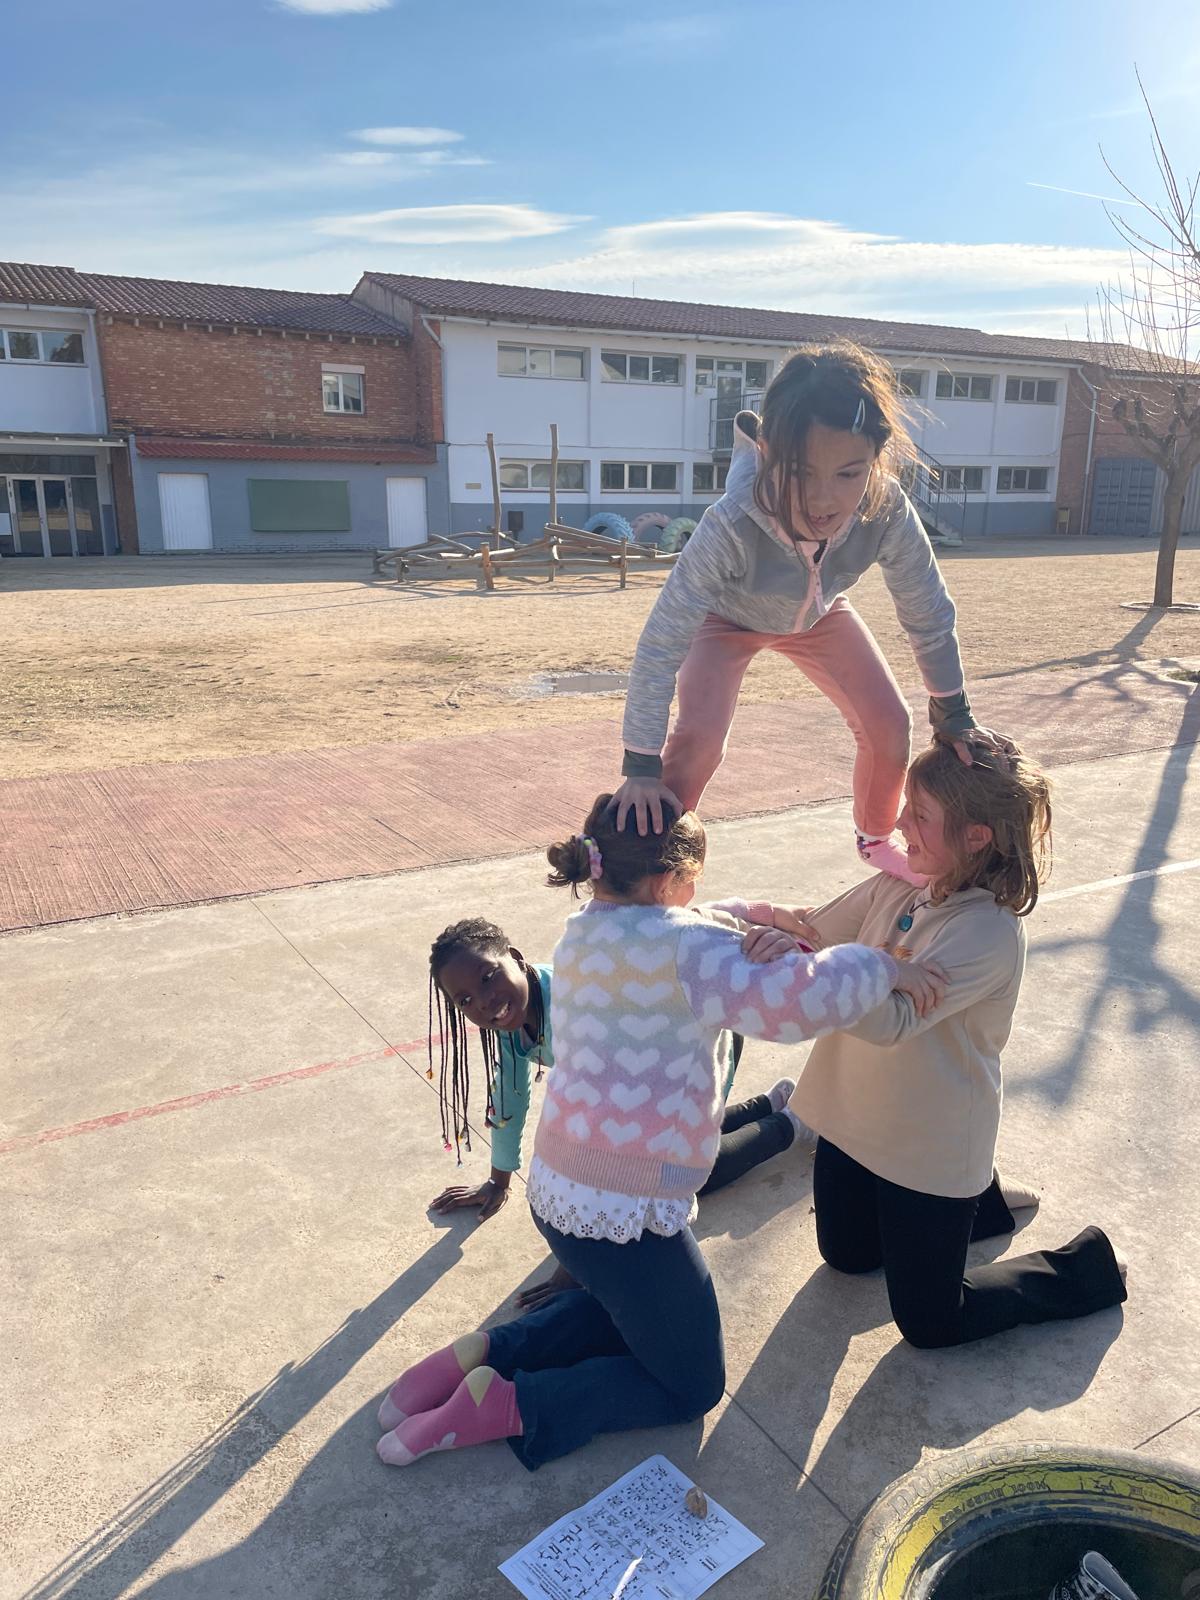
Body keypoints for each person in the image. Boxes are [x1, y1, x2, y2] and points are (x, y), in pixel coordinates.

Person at [377, 794, 945, 1470]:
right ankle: (510, 1404)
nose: (695, 896)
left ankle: (484, 1355)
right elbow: (803, 1001)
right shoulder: (693, 948)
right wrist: (885, 966)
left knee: (628, 1310)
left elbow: (683, 930)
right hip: (630, 1211)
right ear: (672, 879)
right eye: (692, 882)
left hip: (558, 1197)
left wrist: (759, 916)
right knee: (690, 1386)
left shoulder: (582, 932)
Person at [776, 733, 1127, 1348]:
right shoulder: (905, 882)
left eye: (920, 815)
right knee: (848, 1257)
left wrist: (808, 968)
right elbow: (814, 933)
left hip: (929, 1141)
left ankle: (1085, 1268)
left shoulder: (987, 932)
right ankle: (982, 1207)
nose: (899, 824)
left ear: (976, 836)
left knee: (933, 1323)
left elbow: (891, 1020)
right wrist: (763, 933)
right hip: (853, 1114)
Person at [612, 340, 995, 883]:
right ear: (767, 451)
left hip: (819, 616)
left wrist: (953, 711)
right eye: (800, 472)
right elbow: (662, 642)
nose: (822, 500)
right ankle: (647, 869)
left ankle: (876, 838)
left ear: (875, 458)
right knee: (700, 742)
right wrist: (640, 764)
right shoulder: (732, 522)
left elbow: (925, 609)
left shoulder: (885, 508)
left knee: (890, 724)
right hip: (725, 621)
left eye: (848, 473)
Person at [424, 918, 815, 1248]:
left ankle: (791, 1122)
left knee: (680, 1179)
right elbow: (511, 1094)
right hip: (646, 1080)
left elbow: (612, 1128)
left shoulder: (579, 1008)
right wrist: (499, 1181)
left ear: (515, 957)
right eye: (465, 1000)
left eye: (488, 977)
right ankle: (770, 1104)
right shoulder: (512, 1015)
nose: (483, 1001)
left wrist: (581, 1265)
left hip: (695, 1051)